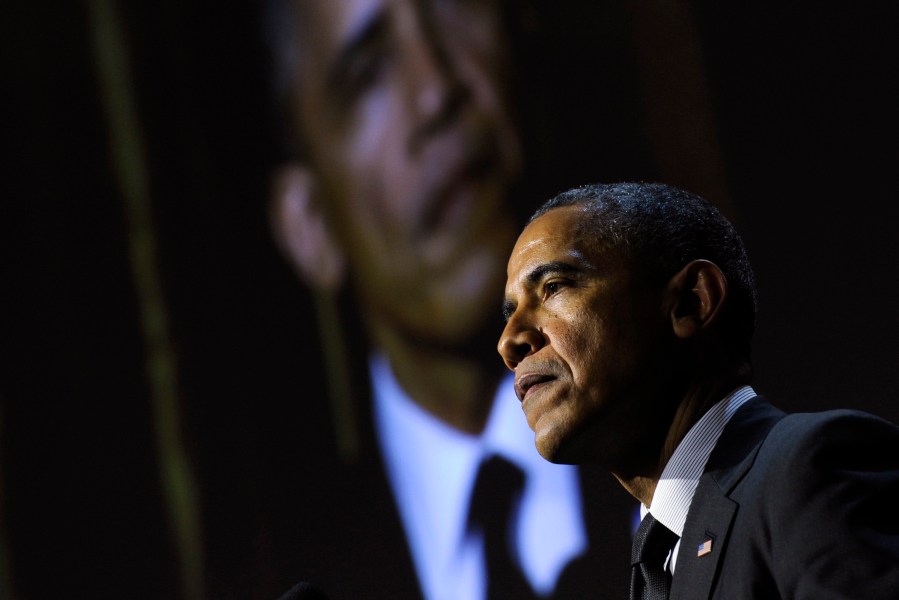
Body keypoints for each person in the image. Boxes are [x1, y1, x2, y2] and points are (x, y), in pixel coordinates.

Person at [260, 1, 633, 599]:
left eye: (454, 7)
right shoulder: (295, 574)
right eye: (366, 74)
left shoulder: (734, 438)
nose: (437, 91)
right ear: (310, 225)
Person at [498, 181, 899, 599]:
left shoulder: (810, 471)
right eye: (510, 313)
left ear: (692, 301)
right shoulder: (659, 561)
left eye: (554, 287)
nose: (509, 341)